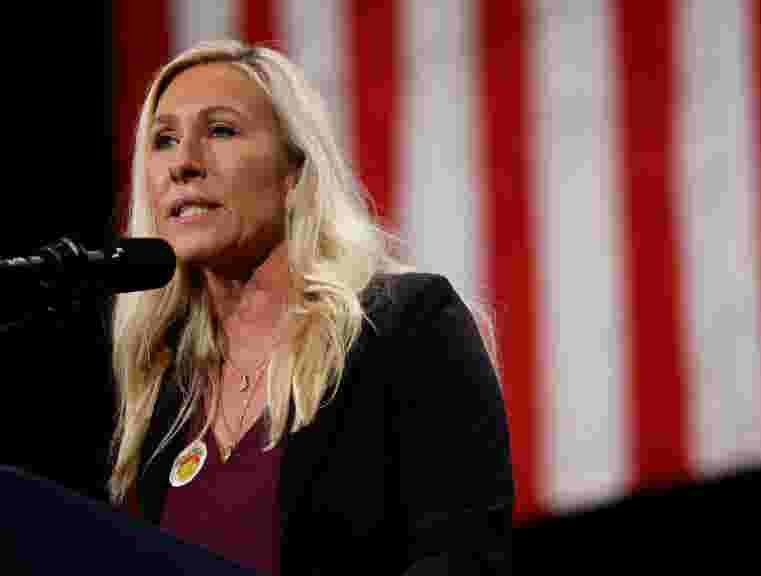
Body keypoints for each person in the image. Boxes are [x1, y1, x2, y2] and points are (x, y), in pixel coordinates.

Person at [107, 39, 513, 575]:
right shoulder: (160, 389)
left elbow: (463, 557)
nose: (182, 163)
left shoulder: (403, 327)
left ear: (294, 172)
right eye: (163, 140)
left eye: (221, 130)